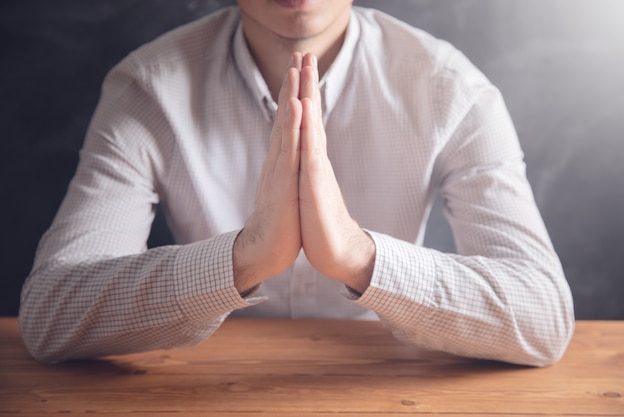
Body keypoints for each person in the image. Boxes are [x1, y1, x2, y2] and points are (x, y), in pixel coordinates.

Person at [19, 0, 574, 366]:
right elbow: (49, 316)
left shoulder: (452, 90)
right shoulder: (147, 89)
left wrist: (360, 257)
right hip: (206, 389)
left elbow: (545, 317)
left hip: (384, 387)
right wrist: (242, 261)